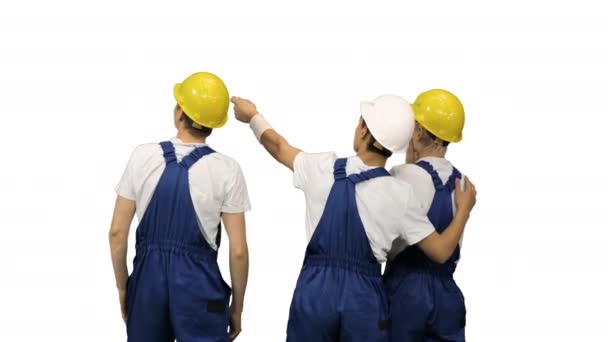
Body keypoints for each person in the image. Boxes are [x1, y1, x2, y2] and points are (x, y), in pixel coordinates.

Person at [230, 94, 476, 342]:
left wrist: (252, 116)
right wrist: (464, 209)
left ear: (363, 131)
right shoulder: (400, 194)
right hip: (365, 299)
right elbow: (440, 251)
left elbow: (278, 146)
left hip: (316, 294)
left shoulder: (322, 168)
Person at [109, 72, 250, 342]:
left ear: (179, 112)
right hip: (200, 289)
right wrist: (237, 308)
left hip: (147, 287)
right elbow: (239, 251)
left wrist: (124, 288)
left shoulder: (142, 156)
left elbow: (117, 233)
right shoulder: (227, 170)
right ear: (213, 125)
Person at [383, 89, 474, 341]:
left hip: (406, 290)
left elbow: (389, 246)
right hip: (447, 293)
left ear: (420, 131)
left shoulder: (404, 175)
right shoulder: (464, 183)